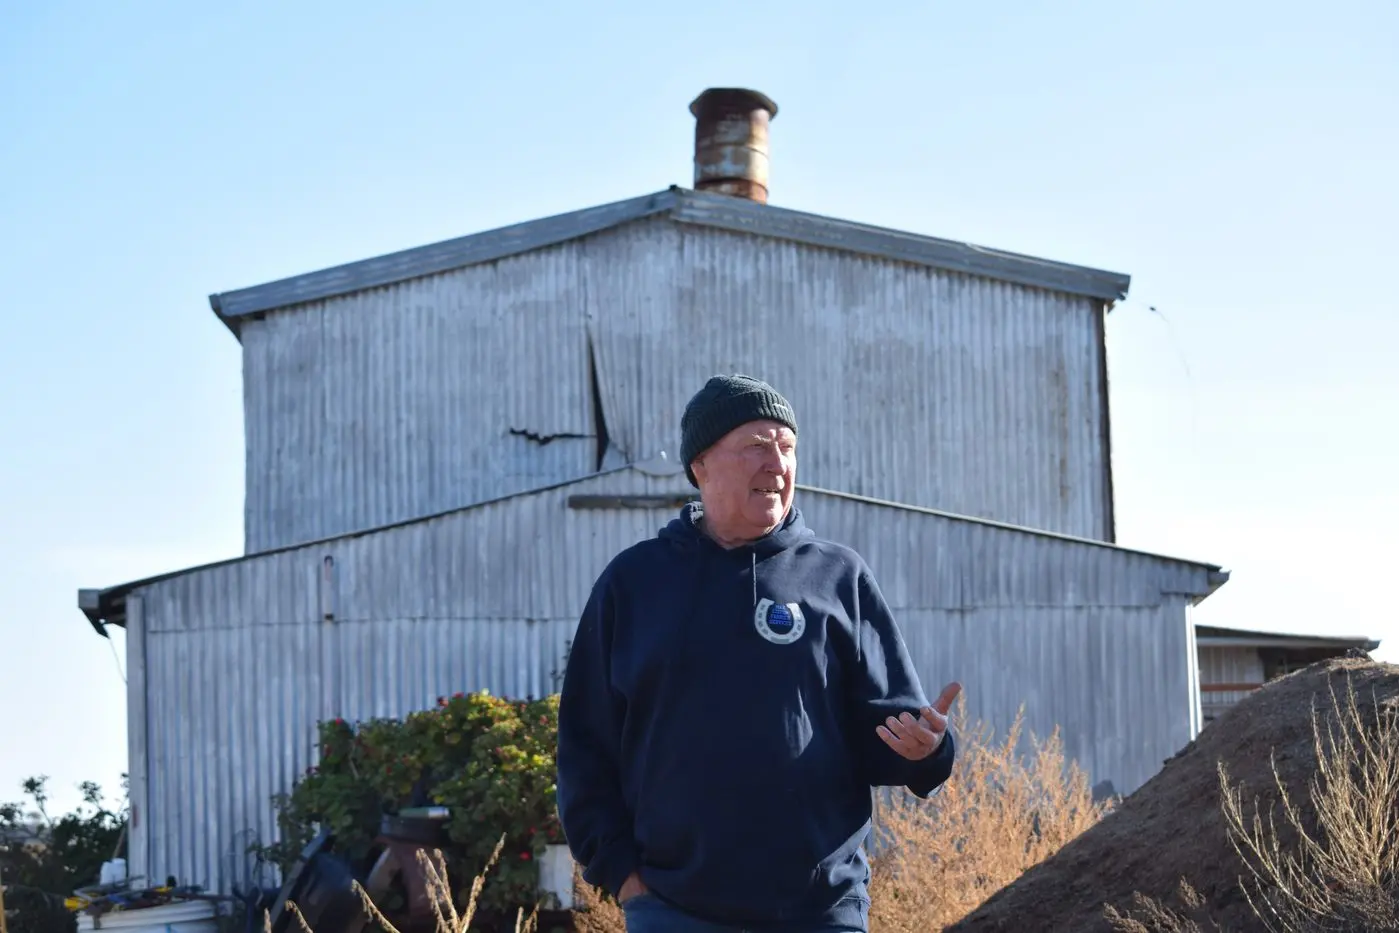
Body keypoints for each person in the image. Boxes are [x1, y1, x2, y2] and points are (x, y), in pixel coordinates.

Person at [556, 374, 961, 933]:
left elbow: (889, 733)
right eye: (756, 446)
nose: (777, 464)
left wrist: (926, 750)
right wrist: (622, 873)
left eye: (787, 447)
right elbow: (584, 743)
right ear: (699, 465)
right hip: (674, 908)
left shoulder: (837, 576)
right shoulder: (634, 583)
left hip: (821, 911)